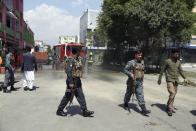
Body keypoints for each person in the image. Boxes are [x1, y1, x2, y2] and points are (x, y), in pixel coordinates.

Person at [56, 47, 94, 117]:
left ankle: (84, 110)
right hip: (72, 81)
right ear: (76, 52)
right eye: (79, 51)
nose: (80, 53)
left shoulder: (78, 59)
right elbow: (69, 72)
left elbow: (82, 62)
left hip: (77, 80)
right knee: (68, 96)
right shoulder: (70, 60)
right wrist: (70, 82)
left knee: (81, 95)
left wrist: (85, 54)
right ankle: (59, 110)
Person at [157, 49, 188, 116]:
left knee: (173, 95)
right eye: (176, 54)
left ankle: (169, 105)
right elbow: (162, 70)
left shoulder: (178, 62)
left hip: (176, 80)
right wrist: (159, 79)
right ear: (172, 54)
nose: (177, 55)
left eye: (178, 54)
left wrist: (185, 78)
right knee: (172, 93)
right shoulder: (167, 61)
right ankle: (170, 109)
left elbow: (181, 71)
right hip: (169, 80)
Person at [123, 50, 151, 116]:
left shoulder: (142, 62)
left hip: (139, 82)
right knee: (128, 94)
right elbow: (125, 70)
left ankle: (144, 109)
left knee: (140, 94)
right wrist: (130, 74)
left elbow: (143, 70)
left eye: (141, 55)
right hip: (131, 82)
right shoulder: (131, 62)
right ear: (135, 55)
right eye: (139, 55)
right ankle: (126, 102)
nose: (140, 56)